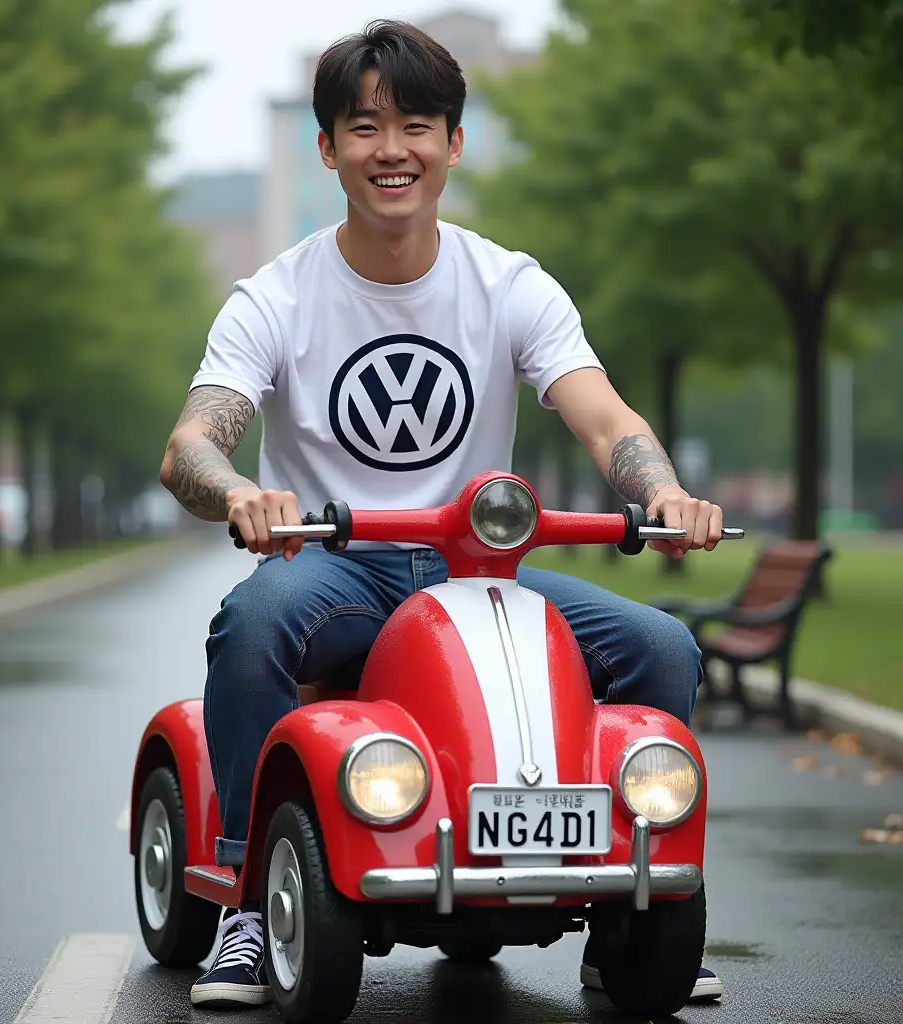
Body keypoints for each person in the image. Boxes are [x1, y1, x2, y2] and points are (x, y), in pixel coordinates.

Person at [160, 19, 725, 1011]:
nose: (393, 150)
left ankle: (635, 910)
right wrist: (239, 490)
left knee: (662, 647)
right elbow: (192, 443)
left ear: (453, 144)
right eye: (364, 127)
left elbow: (604, 418)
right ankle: (250, 895)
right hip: (338, 566)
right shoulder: (275, 296)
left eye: (417, 125)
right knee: (254, 624)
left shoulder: (508, 284)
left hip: (479, 575)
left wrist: (660, 490)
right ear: (327, 148)